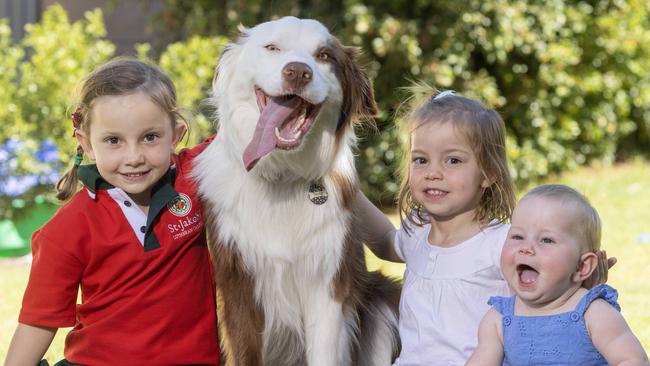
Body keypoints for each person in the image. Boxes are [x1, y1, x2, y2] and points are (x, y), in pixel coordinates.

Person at [4, 58, 221, 365]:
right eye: (113, 141)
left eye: (150, 137)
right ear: (87, 144)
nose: (133, 157)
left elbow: (248, 133)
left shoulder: (197, 175)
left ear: (176, 134)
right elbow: (39, 321)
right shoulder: (68, 228)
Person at [354, 88, 517, 365]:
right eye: (421, 160)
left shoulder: (501, 243)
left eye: (453, 160)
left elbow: (541, 297)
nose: (433, 172)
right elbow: (384, 241)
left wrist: (579, 282)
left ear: (488, 173)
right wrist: (349, 193)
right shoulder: (418, 232)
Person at [466, 184, 649, 365]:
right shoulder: (498, 319)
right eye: (517, 237)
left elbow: (633, 360)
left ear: (582, 267)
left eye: (546, 240)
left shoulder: (593, 313)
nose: (526, 248)